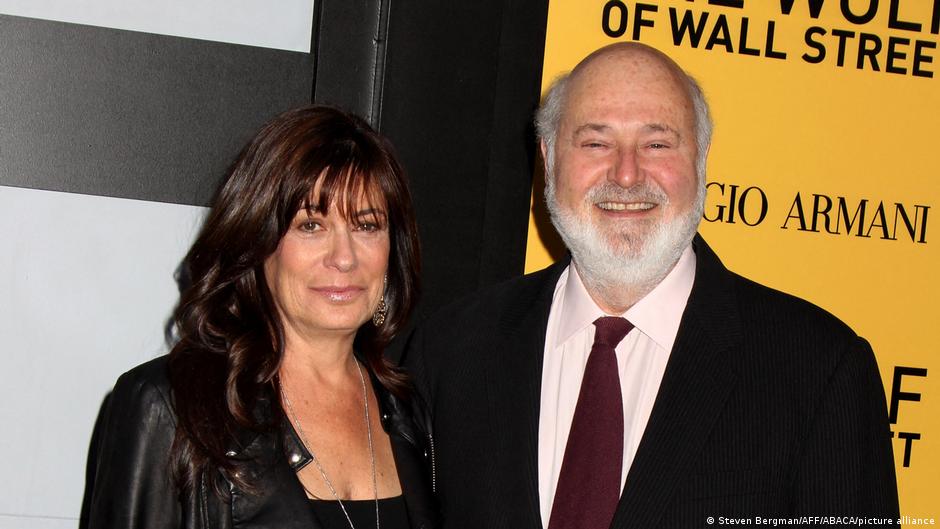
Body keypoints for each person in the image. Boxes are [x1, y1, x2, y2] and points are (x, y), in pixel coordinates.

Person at [404, 43, 899, 528]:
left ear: (701, 158)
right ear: (549, 159)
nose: (626, 175)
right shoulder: (452, 352)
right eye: (595, 143)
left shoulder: (819, 371)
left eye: (657, 144)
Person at [87, 106, 438, 529]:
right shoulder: (169, 409)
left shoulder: (409, 413)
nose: (344, 258)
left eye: (366, 226)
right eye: (311, 226)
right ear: (256, 242)